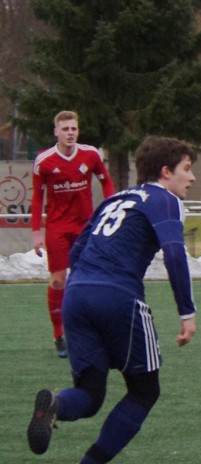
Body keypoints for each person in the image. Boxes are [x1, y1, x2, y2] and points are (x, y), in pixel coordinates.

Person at [25, 136, 198, 464]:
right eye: (186, 169)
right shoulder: (165, 200)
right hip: (118, 296)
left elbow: (78, 251)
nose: (192, 177)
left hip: (76, 294)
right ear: (166, 172)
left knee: (89, 393)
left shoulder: (115, 199)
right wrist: (187, 312)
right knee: (145, 390)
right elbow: (174, 254)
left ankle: (56, 405)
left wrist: (87, 287)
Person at [30, 110, 116, 357]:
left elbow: (106, 182)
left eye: (73, 129)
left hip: (84, 227)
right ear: (56, 132)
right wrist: (36, 232)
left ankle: (84, 332)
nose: (70, 133)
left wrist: (110, 210)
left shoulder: (91, 154)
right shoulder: (44, 161)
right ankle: (59, 335)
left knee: (84, 280)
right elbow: (37, 198)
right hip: (57, 228)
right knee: (58, 281)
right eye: (65, 129)